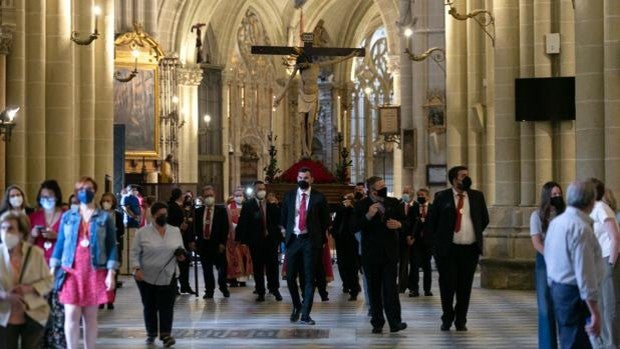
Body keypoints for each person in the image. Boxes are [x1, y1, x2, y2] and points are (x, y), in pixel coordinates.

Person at [49, 176, 119, 349]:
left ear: (94, 191)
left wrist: (111, 273)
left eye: (88, 188)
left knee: (90, 316)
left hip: (94, 270)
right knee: (71, 313)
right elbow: (60, 243)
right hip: (71, 269)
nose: (84, 192)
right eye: (81, 189)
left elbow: (111, 246)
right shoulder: (68, 217)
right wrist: (52, 269)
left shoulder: (104, 217)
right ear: (76, 193)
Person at [428, 165, 489, 332]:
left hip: (469, 250)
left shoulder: (477, 196)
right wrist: (437, 246)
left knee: (465, 286)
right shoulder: (442, 197)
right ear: (454, 179)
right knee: (447, 286)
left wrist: (470, 233)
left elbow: (484, 219)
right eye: (463, 176)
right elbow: (432, 223)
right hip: (448, 250)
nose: (467, 178)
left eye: (467, 175)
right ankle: (447, 317)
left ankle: (461, 319)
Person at [545, 180, 603, 348]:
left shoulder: (557, 222)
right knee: (576, 343)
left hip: (559, 289)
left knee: (568, 340)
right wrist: (595, 311)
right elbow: (585, 272)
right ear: (591, 201)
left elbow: (549, 256)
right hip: (575, 294)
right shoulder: (580, 228)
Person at [273, 52, 357, 157]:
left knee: (309, 123)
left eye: (303, 63)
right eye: (300, 64)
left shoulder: (316, 66)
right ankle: (305, 149)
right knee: (302, 124)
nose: (302, 65)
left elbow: (334, 61)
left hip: (313, 97)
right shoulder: (299, 68)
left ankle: (308, 148)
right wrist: (280, 98)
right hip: (303, 96)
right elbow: (289, 83)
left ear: (307, 60)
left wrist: (349, 56)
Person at [354, 176, 407, 334]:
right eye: (380, 186)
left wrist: (399, 225)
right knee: (374, 289)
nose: (383, 188)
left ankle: (395, 322)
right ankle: (377, 322)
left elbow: (405, 223)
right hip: (371, 254)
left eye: (384, 185)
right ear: (371, 190)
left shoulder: (393, 202)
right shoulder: (362, 205)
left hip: (389, 253)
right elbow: (354, 226)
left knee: (391, 289)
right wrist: (368, 216)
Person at [280, 167, 330, 325]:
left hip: (310, 240)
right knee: (290, 277)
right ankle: (297, 305)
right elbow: (283, 218)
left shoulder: (319, 198)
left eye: (306, 177)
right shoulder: (289, 196)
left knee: (309, 278)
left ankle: (305, 314)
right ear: (297, 178)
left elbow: (325, 221)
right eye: (301, 177)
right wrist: (284, 233)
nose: (303, 180)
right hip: (293, 240)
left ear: (312, 179)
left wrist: (320, 240)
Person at [131, 202, 185, 347]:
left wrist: (181, 255)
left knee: (167, 306)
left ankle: (166, 334)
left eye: (165, 215)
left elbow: (180, 249)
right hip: (146, 276)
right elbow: (135, 253)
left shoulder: (175, 231)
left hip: (169, 274)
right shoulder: (142, 232)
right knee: (150, 306)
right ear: (154, 215)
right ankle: (151, 332)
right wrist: (136, 269)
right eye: (160, 215)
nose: (163, 217)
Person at [0, 211, 53, 349]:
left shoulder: (35, 253)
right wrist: (4, 295)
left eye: (10, 228)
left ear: (21, 233)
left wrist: (29, 288)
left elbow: (49, 281)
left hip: (33, 314)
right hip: (4, 315)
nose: (6, 232)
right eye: (2, 228)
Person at [28, 179, 67, 348]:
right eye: (43, 196)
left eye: (50, 196)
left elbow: (72, 242)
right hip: (38, 270)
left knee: (59, 311)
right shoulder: (34, 216)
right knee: (40, 310)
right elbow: (26, 245)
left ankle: (58, 343)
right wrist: (33, 233)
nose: (46, 199)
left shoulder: (65, 216)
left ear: (56, 196)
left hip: (60, 270)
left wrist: (56, 237)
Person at [530, 181, 565, 349]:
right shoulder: (536, 216)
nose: (557, 197)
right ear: (547, 197)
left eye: (559, 194)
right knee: (545, 305)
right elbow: (537, 242)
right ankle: (547, 345)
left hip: (565, 261)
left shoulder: (565, 215)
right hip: (545, 260)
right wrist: (551, 257)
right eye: (554, 195)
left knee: (565, 303)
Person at [236, 181, 283, 302]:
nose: (261, 190)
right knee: (258, 267)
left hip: (271, 240)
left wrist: (275, 205)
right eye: (259, 189)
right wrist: (241, 240)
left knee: (272, 266)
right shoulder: (248, 205)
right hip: (255, 241)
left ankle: (274, 289)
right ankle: (260, 291)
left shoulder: (270, 203)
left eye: (263, 188)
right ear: (254, 191)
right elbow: (243, 222)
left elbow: (279, 219)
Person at [588, 178, 620, 348]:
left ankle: (612, 344)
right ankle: (604, 343)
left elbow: (615, 238)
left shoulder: (602, 208)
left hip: (608, 259)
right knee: (601, 305)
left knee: (610, 307)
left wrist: (610, 264)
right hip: (598, 261)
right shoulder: (593, 209)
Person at [193, 185, 230, 299]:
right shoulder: (198, 211)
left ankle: (223, 286)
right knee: (206, 269)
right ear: (203, 198)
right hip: (204, 244)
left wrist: (222, 243)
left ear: (214, 196)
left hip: (218, 244)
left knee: (222, 268)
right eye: (206, 196)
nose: (209, 197)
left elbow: (225, 228)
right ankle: (209, 290)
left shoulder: (221, 211)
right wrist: (194, 241)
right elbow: (195, 227)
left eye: (211, 195)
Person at [330, 193, 361, 301]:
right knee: (342, 264)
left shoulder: (355, 210)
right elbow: (335, 223)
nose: (346, 202)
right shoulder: (340, 210)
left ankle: (354, 289)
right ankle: (346, 284)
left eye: (348, 200)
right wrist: (333, 233)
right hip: (340, 240)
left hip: (352, 240)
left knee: (352, 266)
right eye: (345, 200)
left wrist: (351, 208)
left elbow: (356, 222)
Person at [99, 192, 125, 310]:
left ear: (113, 202)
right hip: (100, 248)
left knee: (113, 274)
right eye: (104, 200)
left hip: (114, 246)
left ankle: (110, 299)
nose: (106, 203)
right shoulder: (98, 215)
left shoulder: (118, 215)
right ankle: (101, 299)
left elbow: (122, 231)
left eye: (109, 201)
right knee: (101, 274)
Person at [167, 188, 195, 295]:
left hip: (185, 239)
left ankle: (185, 286)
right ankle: (176, 287)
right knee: (175, 264)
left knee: (185, 264)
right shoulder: (172, 207)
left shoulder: (184, 206)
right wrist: (180, 227)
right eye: (182, 194)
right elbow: (170, 223)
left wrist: (191, 239)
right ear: (179, 195)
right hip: (176, 239)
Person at [409, 188, 434, 297]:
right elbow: (409, 223)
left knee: (427, 266)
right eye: (418, 195)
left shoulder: (433, 208)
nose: (420, 197)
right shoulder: (413, 208)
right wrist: (410, 236)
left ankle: (427, 289)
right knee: (414, 265)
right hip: (416, 240)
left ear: (428, 196)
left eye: (422, 195)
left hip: (428, 241)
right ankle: (414, 289)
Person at [226, 187, 252, 288]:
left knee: (244, 257)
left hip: (245, 236)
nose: (238, 197)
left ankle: (243, 280)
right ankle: (233, 279)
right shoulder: (229, 207)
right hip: (233, 236)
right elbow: (227, 220)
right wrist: (234, 225)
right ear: (233, 196)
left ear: (243, 196)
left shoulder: (248, 206)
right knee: (234, 258)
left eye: (240, 195)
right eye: (236, 196)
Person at [398, 186, 415, 293]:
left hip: (413, 239)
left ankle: (413, 286)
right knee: (402, 264)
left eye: (407, 192)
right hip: (400, 238)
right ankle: (402, 286)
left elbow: (417, 223)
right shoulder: (398, 204)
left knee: (414, 264)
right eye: (404, 192)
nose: (405, 194)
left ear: (412, 194)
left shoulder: (417, 206)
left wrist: (412, 236)